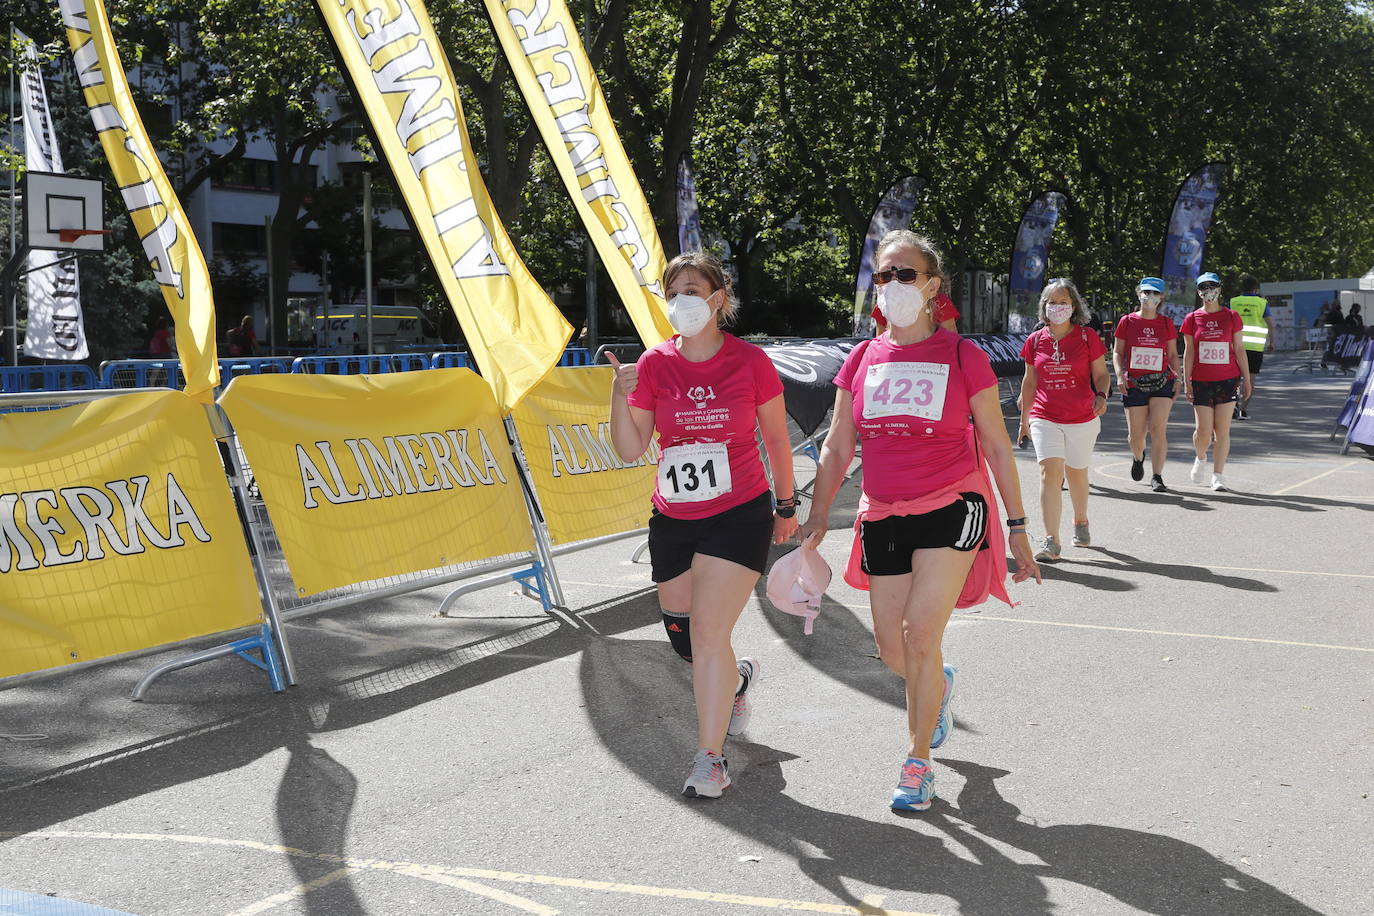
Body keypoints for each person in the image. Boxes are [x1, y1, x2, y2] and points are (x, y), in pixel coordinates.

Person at [797, 229, 1040, 812]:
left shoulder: (962, 355)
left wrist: (1019, 526)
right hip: (882, 513)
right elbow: (836, 447)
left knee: (918, 635)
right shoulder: (861, 357)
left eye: (907, 274)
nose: (894, 285)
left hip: (953, 505)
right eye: (885, 275)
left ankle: (917, 763)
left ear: (933, 286)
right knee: (888, 648)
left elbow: (999, 448)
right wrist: (814, 516)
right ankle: (939, 686)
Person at [606, 251, 798, 800]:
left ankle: (710, 759)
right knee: (686, 640)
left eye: (692, 290)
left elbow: (778, 440)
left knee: (711, 635)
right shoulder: (653, 364)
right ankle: (735, 682)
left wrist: (786, 507)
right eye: (673, 292)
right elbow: (629, 448)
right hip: (674, 517)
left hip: (739, 511)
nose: (681, 301)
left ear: (718, 297)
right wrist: (616, 396)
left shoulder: (750, 362)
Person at [1016, 279, 1110, 562]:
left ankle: (1080, 520)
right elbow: (1029, 382)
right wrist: (1023, 422)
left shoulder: (1086, 337)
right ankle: (1051, 540)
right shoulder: (1034, 341)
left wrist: (1102, 395)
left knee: (1077, 473)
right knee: (1050, 474)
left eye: (1063, 302)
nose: (1058, 307)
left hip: (1083, 416)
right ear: (1044, 306)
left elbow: (1101, 374)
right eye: (1052, 302)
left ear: (1073, 306)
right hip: (1044, 416)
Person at [1181, 272, 1252, 492]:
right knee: (1203, 430)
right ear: (1198, 292)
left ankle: (1218, 475)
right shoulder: (1192, 319)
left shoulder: (1231, 316)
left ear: (1220, 289)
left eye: (1212, 287)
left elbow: (1239, 349)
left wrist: (1247, 379)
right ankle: (1200, 457)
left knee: (1222, 430)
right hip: (1201, 380)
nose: (1208, 291)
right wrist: (1186, 381)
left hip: (1228, 379)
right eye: (1204, 287)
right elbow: (1189, 352)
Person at [1112, 277, 1181, 492]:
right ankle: (1138, 456)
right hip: (1134, 384)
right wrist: (1119, 376)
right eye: (1146, 292)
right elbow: (1117, 352)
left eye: (1154, 293)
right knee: (1136, 435)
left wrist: (1178, 378)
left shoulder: (1166, 323)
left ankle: (1157, 476)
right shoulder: (1127, 321)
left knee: (1158, 429)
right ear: (1138, 294)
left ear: (1161, 298)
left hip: (1161, 382)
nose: (1149, 297)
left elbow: (1171, 354)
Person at [1228, 275, 1274, 419]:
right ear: (1256, 288)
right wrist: (1272, 342)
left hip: (1235, 346)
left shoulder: (1233, 302)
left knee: (1234, 378)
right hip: (1255, 348)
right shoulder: (1262, 303)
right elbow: (1270, 324)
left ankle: (1233, 406)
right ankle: (1243, 409)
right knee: (1250, 379)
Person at [872, 291, 960, 334]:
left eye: (907, 274)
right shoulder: (883, 304)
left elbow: (952, 338)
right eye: (884, 276)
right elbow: (880, 340)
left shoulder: (939, 300)